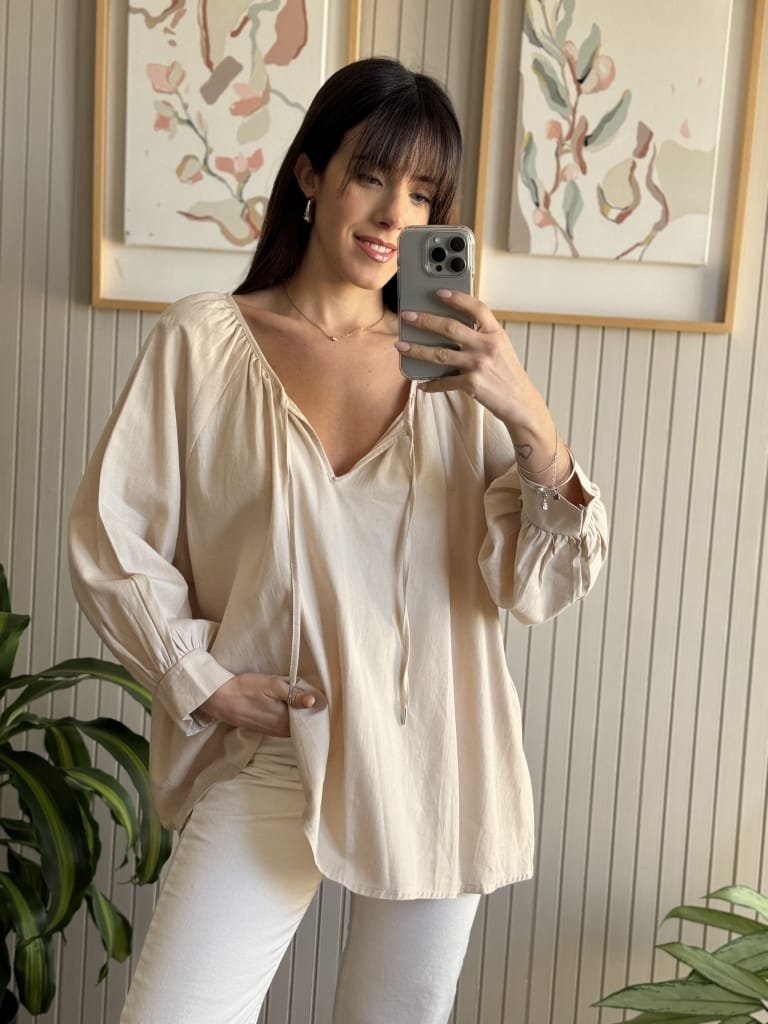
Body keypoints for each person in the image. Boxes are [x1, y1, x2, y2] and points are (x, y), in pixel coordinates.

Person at [69, 57, 608, 1024]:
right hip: (279, 745)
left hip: (439, 748)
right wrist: (200, 678)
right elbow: (114, 536)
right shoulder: (203, 343)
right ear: (310, 174)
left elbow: (532, 583)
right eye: (371, 174)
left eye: (424, 194)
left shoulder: (458, 373)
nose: (395, 214)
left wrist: (527, 414)